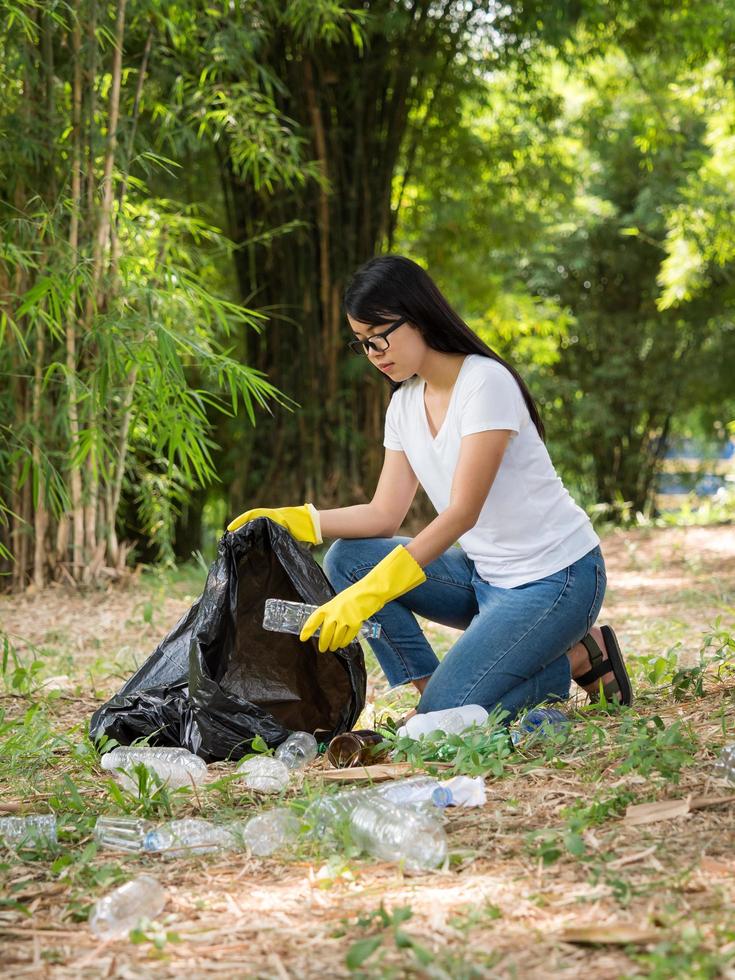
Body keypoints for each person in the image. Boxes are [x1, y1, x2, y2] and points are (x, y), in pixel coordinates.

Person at [228, 255, 632, 718]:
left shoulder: (485, 383)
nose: (375, 352)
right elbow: (384, 514)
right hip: (485, 579)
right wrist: (295, 520)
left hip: (556, 579)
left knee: (449, 713)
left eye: (380, 335)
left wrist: (373, 592)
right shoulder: (403, 405)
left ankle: (583, 654)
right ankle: (432, 695)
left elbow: (463, 512)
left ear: (417, 315)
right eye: (362, 343)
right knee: (348, 558)